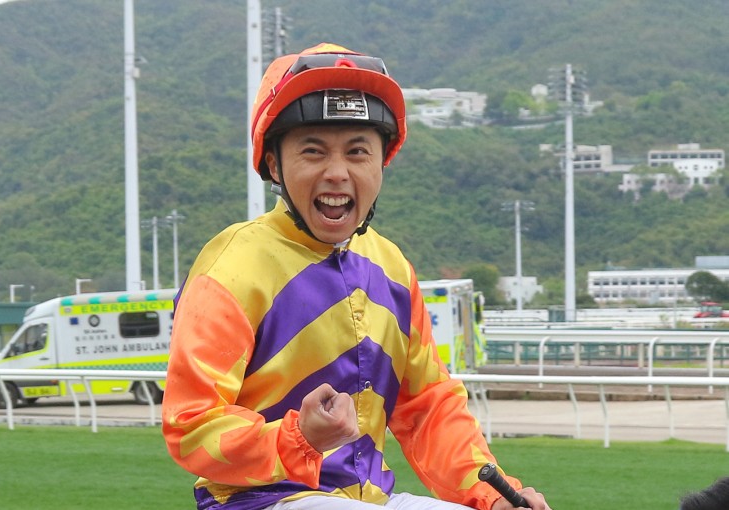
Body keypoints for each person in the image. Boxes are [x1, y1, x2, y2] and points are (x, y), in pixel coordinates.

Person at [161, 42, 551, 510]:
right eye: (313, 151)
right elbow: (191, 424)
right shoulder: (231, 266)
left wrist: (494, 494)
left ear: (381, 163)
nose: (337, 173)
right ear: (273, 165)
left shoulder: (392, 268)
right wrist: (298, 438)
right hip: (257, 499)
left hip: (368, 499)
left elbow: (428, 407)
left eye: (358, 151)